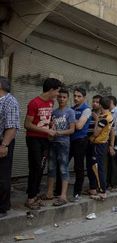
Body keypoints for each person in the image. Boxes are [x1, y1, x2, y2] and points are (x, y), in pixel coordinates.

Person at [24, 78, 62, 210]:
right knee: (35, 168)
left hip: (45, 140)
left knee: (40, 168)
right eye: (57, 91)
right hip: (34, 139)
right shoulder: (34, 103)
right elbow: (27, 124)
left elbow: (47, 118)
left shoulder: (51, 102)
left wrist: (51, 124)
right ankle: (30, 198)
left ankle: (34, 196)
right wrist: (46, 130)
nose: (58, 94)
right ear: (51, 90)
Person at [44, 89, 76, 206]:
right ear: (57, 98)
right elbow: (50, 127)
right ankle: (49, 193)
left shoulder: (70, 112)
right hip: (53, 143)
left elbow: (72, 130)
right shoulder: (54, 112)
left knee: (63, 169)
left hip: (63, 143)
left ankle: (63, 196)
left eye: (64, 97)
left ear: (67, 99)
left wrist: (58, 133)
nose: (61, 99)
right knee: (51, 168)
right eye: (60, 97)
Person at [0, 76, 20, 218]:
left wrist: (4, 145)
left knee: (2, 176)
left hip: (3, 142)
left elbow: (12, 126)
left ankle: (2, 207)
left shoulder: (10, 101)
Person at [69, 87, 92, 202]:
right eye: (75, 96)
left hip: (80, 141)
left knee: (78, 167)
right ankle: (58, 191)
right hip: (69, 140)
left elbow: (79, 126)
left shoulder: (87, 109)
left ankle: (77, 192)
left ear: (84, 97)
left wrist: (70, 122)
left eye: (79, 96)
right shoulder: (71, 108)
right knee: (62, 165)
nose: (76, 98)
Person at [88, 96, 113, 201]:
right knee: (100, 168)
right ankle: (101, 190)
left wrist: (97, 119)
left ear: (101, 105)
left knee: (98, 168)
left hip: (99, 145)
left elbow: (96, 132)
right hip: (103, 144)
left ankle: (102, 192)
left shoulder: (103, 119)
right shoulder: (110, 116)